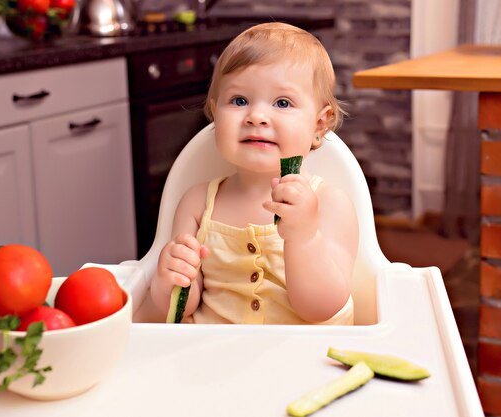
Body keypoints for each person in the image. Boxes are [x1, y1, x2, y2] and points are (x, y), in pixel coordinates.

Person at [149, 22, 359, 325]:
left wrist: (305, 237)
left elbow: (322, 307)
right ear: (214, 113)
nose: (257, 117)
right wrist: (170, 280)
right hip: (213, 357)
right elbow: (185, 307)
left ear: (319, 126)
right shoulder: (197, 203)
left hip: (303, 359)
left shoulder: (329, 204)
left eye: (282, 103)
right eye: (239, 101)